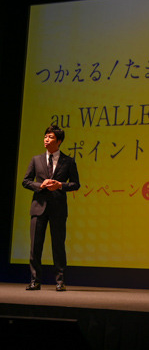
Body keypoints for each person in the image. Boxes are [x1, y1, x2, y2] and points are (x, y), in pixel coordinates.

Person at [21, 125, 80, 291]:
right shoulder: (36, 160)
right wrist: (40, 185)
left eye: (51, 137)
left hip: (58, 208)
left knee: (58, 245)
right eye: (45, 136)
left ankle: (60, 281)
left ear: (59, 141)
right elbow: (26, 181)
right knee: (35, 246)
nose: (46, 139)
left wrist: (60, 185)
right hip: (38, 207)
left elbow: (76, 184)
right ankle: (35, 281)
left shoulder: (68, 161)